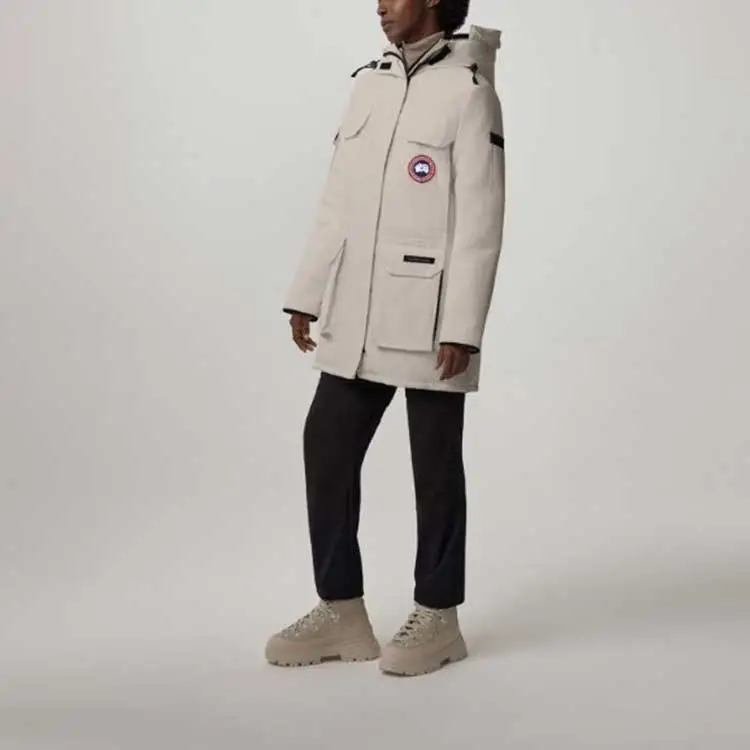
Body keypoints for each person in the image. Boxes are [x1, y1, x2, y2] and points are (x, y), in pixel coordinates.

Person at [266, 0, 506, 677]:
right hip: (357, 310)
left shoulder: (470, 92)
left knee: (434, 465)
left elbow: (482, 219)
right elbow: (336, 202)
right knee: (326, 445)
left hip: (431, 315)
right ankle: (341, 609)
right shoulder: (367, 84)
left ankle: (439, 614)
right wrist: (307, 293)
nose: (380, 5)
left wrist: (463, 326)